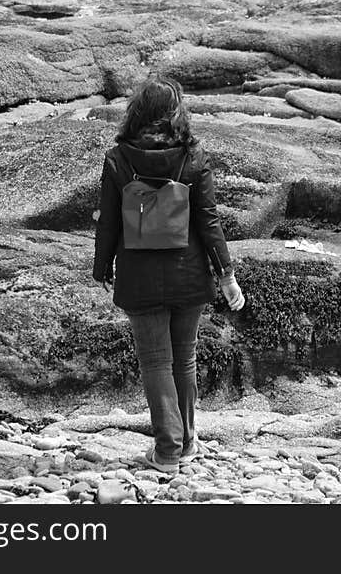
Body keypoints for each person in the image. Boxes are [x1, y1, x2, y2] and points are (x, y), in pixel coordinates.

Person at [92, 74, 245, 474]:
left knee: (156, 362)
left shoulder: (118, 158)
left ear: (136, 111)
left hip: (139, 276)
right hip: (190, 273)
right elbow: (209, 222)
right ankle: (187, 442)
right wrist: (226, 274)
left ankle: (167, 451)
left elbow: (109, 222)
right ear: (178, 112)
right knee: (184, 359)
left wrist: (101, 265)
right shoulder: (194, 157)